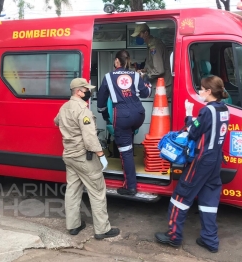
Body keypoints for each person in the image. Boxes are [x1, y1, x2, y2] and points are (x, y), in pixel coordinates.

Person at [154, 76, 229, 253]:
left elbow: (194, 132)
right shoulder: (224, 109)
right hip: (216, 160)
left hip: (201, 160)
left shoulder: (207, 111)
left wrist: (188, 115)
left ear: (209, 91)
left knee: (180, 197)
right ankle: (210, 240)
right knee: (209, 201)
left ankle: (174, 236)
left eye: (202, 89)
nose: (200, 92)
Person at [54, 78, 120, 240]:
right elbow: (90, 138)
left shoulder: (64, 107)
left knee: (73, 190)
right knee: (97, 191)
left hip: (69, 156)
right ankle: (102, 229)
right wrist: (101, 155)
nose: (89, 93)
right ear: (79, 91)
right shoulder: (82, 110)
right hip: (83, 157)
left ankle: (73, 225)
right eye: (87, 90)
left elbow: (56, 122)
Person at [97, 50, 151, 196]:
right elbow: (146, 93)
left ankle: (130, 187)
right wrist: (145, 80)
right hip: (139, 115)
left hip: (122, 116)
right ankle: (129, 149)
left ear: (116, 61)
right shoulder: (135, 75)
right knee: (128, 138)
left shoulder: (108, 77)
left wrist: (104, 113)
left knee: (125, 152)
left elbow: (101, 99)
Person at [131, 23, 173, 98]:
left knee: (159, 109)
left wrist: (146, 75)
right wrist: (144, 70)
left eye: (139, 35)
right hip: (161, 85)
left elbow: (159, 70)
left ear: (146, 33)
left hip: (163, 85)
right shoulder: (151, 45)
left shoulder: (154, 46)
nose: (138, 37)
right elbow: (153, 64)